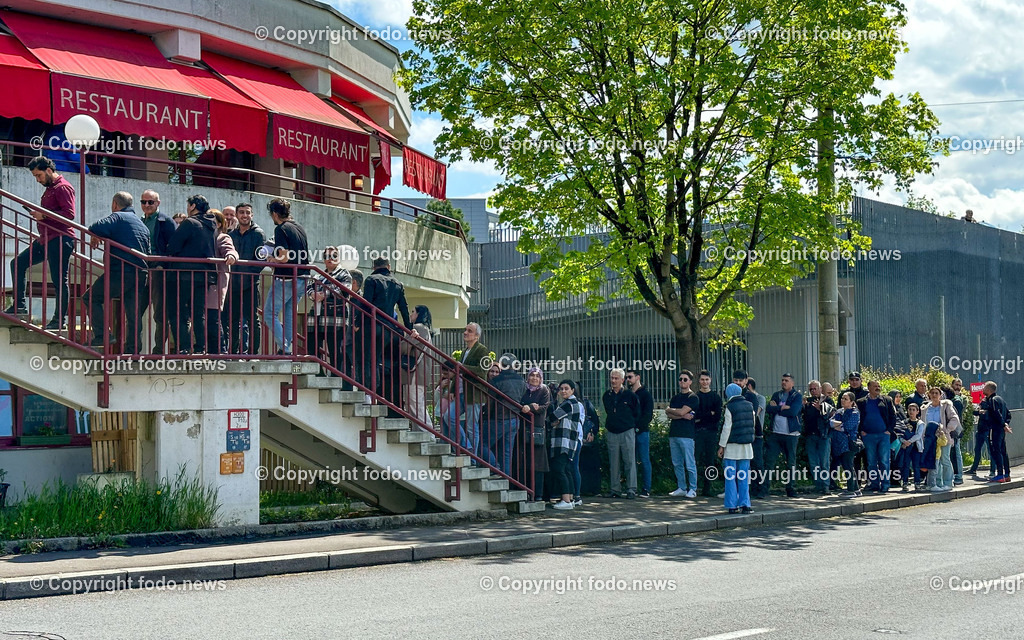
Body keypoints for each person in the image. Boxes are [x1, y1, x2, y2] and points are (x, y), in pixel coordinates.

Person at [8, 156, 76, 329]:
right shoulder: (51, 188)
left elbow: (69, 215)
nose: (37, 180)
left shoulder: (63, 187)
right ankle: (19, 306)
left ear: (48, 170)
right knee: (17, 263)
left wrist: (43, 215)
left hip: (60, 238)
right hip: (47, 238)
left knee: (60, 280)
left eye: (38, 175)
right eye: (35, 177)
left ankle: (59, 321)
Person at [85, 192, 151, 353]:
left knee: (90, 297)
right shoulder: (142, 225)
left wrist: (96, 235)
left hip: (120, 270)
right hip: (140, 272)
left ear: (115, 204)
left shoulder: (118, 217)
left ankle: (103, 335)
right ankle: (133, 350)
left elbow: (95, 227)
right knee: (133, 313)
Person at [167, 195, 217, 354]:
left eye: (188, 205)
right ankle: (201, 347)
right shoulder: (211, 224)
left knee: (178, 312)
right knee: (198, 314)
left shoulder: (190, 222)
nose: (187, 208)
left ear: (193, 206)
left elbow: (173, 245)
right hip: (203, 275)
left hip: (184, 274)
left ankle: (183, 347)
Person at [263, 198, 309, 355]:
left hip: (286, 278)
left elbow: (285, 257)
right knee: (289, 313)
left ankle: (284, 347)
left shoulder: (281, 229)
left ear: (275, 214)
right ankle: (286, 349)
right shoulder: (299, 227)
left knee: (269, 314)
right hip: (303, 277)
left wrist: (272, 259)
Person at [138, 189, 175, 354]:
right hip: (141, 269)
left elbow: (173, 246)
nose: (146, 205)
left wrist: (161, 264)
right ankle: (132, 349)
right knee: (135, 310)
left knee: (160, 313)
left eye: (150, 202)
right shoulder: (139, 221)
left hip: (159, 271)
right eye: (143, 202)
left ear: (158, 203)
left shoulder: (165, 221)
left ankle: (158, 350)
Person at [304, 246, 352, 375]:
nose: (330, 259)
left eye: (333, 256)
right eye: (326, 256)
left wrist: (324, 294)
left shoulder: (344, 273)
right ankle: (318, 372)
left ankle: (335, 375)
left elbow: (344, 289)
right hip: (317, 316)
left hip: (336, 317)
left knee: (335, 349)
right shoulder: (318, 274)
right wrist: (313, 294)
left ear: (339, 258)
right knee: (312, 346)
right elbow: (309, 286)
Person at [226, 203, 266, 355]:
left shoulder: (258, 234)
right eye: (241, 212)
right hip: (233, 284)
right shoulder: (231, 235)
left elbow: (261, 260)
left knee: (252, 320)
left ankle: (253, 352)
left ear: (252, 215)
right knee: (233, 320)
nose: (244, 215)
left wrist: (251, 274)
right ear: (237, 215)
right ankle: (233, 352)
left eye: (247, 212)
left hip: (250, 284)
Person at [482, 354, 527, 475]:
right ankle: (505, 480)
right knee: (507, 453)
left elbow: (490, 401)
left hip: (498, 418)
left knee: (481, 444)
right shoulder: (521, 380)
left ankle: (495, 467)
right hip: (515, 418)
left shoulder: (496, 380)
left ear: (502, 365)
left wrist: (485, 416)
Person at [203, 210, 238, 355]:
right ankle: (211, 351)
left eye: (213, 220)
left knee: (213, 318)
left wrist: (231, 255)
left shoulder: (222, 237)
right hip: (204, 282)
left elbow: (230, 250)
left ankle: (220, 352)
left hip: (216, 283)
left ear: (219, 223)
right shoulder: (204, 237)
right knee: (206, 319)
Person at [602, 368, 640, 499]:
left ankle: (631, 489)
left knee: (629, 460)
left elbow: (637, 413)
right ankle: (615, 489)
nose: (613, 381)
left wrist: (630, 425)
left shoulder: (631, 396)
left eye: (616, 378)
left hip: (627, 431)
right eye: (612, 378)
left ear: (622, 380)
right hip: (612, 431)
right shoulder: (607, 395)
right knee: (614, 462)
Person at [855, 380, 898, 493]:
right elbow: (857, 417)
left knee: (884, 461)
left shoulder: (887, 400)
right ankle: (874, 484)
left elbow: (893, 416)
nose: (878, 388)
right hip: (868, 436)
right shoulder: (861, 402)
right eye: (875, 386)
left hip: (883, 435)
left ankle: (885, 484)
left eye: (879, 386)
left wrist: (889, 430)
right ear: (869, 388)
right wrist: (861, 431)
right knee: (871, 461)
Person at [765, 373, 803, 497]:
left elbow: (793, 412)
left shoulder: (797, 396)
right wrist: (783, 407)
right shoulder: (777, 395)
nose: (783, 382)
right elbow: (769, 409)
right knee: (769, 461)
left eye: (786, 380)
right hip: (776, 433)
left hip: (791, 434)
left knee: (790, 462)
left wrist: (779, 408)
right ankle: (764, 488)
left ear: (792, 383)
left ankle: (790, 488)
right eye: (782, 380)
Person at [719, 383, 755, 514]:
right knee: (744, 477)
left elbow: (727, 428)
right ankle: (745, 504)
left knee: (730, 477)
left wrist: (721, 445)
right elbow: (753, 425)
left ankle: (732, 505)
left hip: (732, 446)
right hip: (746, 447)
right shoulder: (750, 405)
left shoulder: (730, 407)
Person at [549, 380, 584, 510]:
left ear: (572, 390)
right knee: (566, 470)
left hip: (564, 441)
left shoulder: (569, 403)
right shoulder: (571, 403)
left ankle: (566, 500)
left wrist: (555, 421)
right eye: (561, 389)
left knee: (559, 469)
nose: (563, 391)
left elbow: (552, 417)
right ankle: (569, 497)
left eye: (566, 388)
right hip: (568, 442)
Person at [665, 369, 700, 498]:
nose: (682, 381)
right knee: (677, 463)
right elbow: (670, 415)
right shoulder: (675, 398)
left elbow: (677, 412)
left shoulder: (693, 398)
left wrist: (672, 410)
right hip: (674, 433)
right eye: (680, 379)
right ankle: (681, 487)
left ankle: (693, 488)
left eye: (685, 379)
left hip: (687, 435)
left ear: (690, 381)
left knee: (690, 463)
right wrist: (678, 414)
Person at [457, 323, 489, 457]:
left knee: (471, 427)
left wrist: (463, 366)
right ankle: (467, 446)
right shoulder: (464, 351)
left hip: (474, 394)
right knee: (448, 417)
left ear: (477, 336)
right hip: (463, 392)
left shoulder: (482, 350)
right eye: (465, 330)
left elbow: (483, 371)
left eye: (469, 331)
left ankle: (473, 457)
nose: (465, 332)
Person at [734, 371, 767, 499]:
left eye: (740, 380)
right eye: (735, 380)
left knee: (757, 463)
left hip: (754, 435)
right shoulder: (732, 395)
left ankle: (760, 490)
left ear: (746, 381)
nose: (738, 383)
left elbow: (752, 416)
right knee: (741, 463)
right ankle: (743, 490)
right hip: (740, 435)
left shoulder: (751, 396)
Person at [921, 386, 961, 491]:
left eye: (936, 393)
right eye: (932, 393)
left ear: (940, 395)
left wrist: (946, 430)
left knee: (945, 459)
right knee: (935, 461)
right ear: (929, 394)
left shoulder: (946, 406)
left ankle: (948, 482)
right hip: (930, 439)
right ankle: (937, 483)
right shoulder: (925, 408)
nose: (934, 395)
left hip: (943, 437)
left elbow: (954, 419)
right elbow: (922, 423)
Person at [520, 368, 551, 500]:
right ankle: (525, 492)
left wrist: (531, 408)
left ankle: (538, 494)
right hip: (523, 428)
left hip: (537, 430)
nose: (534, 378)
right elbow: (519, 403)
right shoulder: (523, 388)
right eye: (532, 375)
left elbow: (544, 407)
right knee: (524, 461)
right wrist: (530, 406)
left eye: (537, 376)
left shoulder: (544, 390)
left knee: (538, 464)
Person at [400, 304, 434, 424]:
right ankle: (424, 433)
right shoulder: (426, 330)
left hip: (415, 374)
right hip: (420, 373)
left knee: (415, 404)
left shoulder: (418, 328)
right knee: (414, 404)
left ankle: (428, 433)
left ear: (419, 314)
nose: (411, 314)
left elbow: (403, 347)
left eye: (413, 312)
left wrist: (406, 340)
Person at [802, 380, 835, 495]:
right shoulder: (808, 401)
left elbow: (833, 415)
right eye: (811, 389)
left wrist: (821, 409)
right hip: (810, 435)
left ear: (820, 389)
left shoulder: (828, 400)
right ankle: (818, 485)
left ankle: (826, 486)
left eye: (815, 388)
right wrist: (803, 406)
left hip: (824, 435)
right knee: (813, 462)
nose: (813, 391)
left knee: (824, 462)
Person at [694, 370, 723, 498]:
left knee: (710, 461)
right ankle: (693, 487)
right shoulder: (695, 397)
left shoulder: (716, 397)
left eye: (707, 379)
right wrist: (708, 414)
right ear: (699, 381)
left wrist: (702, 416)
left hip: (711, 433)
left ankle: (708, 487)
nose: (704, 382)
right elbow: (695, 416)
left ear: (710, 380)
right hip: (698, 432)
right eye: (702, 380)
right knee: (695, 460)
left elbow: (717, 417)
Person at [626, 369, 654, 498]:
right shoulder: (627, 394)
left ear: (638, 377)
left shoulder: (646, 395)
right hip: (629, 431)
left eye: (630, 377)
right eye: (626, 377)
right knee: (631, 460)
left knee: (644, 460)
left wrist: (637, 427)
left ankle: (646, 488)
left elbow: (647, 415)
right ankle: (632, 488)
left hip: (641, 432)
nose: (628, 379)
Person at [977, 381, 1012, 483]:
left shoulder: (992, 400)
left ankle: (1000, 475)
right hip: (1000, 430)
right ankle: (1007, 474)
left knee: (995, 451)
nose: (983, 389)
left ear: (988, 389)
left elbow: (997, 414)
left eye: (984, 387)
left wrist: (1003, 424)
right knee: (1003, 451)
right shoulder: (1001, 399)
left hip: (994, 429)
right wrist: (1006, 424)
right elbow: (1008, 414)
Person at [830, 392, 861, 497]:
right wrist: (839, 425)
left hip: (849, 443)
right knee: (847, 466)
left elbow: (847, 426)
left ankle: (851, 490)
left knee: (848, 466)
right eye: (842, 398)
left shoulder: (854, 413)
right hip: (839, 444)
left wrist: (838, 425)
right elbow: (831, 422)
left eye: (846, 399)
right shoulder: (839, 411)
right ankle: (856, 489)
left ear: (852, 402)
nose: (842, 400)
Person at [897, 403, 925, 491]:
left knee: (916, 465)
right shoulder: (904, 422)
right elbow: (899, 434)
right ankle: (904, 482)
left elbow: (918, 435)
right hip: (906, 447)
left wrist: (909, 441)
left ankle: (917, 482)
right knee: (905, 465)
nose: (911, 412)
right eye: (910, 410)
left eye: (913, 410)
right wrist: (904, 442)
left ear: (917, 411)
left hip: (915, 447)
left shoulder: (920, 423)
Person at [947, 379, 966, 485]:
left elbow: (957, 417)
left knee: (957, 453)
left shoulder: (958, 400)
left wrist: (956, 430)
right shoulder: (954, 399)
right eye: (956, 385)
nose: (958, 387)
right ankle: (956, 474)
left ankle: (958, 475)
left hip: (956, 430)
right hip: (953, 429)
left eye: (960, 385)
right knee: (953, 453)